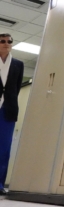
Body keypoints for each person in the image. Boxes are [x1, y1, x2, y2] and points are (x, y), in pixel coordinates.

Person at [0, 33, 23, 195]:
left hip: (8, 109)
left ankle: (0, 184)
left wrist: (9, 101)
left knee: (4, 148)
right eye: (2, 41)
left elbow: (16, 87)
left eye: (9, 41)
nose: (6, 43)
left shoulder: (18, 64)